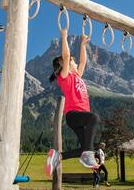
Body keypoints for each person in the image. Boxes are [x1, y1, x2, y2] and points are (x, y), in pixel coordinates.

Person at [45, 29, 100, 176]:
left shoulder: (77, 75)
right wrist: (63, 36)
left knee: (85, 146)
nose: (75, 62)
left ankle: (58, 156)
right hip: (73, 115)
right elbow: (66, 55)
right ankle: (88, 154)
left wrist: (82, 44)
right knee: (94, 118)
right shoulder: (65, 77)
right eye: (72, 61)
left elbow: (83, 62)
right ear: (66, 65)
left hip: (80, 117)